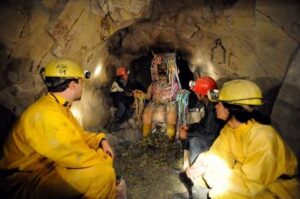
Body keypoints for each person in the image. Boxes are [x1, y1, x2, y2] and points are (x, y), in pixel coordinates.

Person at [0, 58, 125, 199]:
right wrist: (106, 158)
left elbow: (80, 135)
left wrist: (100, 140)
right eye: (81, 82)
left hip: (45, 167)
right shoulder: (47, 115)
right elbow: (78, 156)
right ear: (72, 85)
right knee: (103, 175)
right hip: (23, 179)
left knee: (102, 171)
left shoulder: (58, 106)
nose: (82, 86)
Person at [186, 79, 299, 199]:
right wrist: (203, 163)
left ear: (232, 108)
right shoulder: (230, 129)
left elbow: (251, 183)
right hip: (249, 179)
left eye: (220, 103)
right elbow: (218, 155)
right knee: (205, 174)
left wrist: (217, 189)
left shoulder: (263, 137)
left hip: (276, 190)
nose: (216, 106)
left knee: (220, 192)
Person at [179, 76, 225, 171]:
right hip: (213, 136)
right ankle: (187, 165)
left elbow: (208, 134)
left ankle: (194, 172)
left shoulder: (213, 109)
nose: (195, 94)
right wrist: (189, 127)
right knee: (188, 135)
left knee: (194, 141)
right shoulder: (210, 105)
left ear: (202, 95)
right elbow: (203, 125)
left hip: (217, 142)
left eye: (197, 93)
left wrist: (188, 133)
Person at [142, 68, 180, 140]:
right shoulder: (153, 85)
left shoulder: (173, 85)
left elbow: (177, 97)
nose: (162, 78)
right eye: (160, 77)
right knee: (146, 113)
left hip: (168, 105)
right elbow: (148, 96)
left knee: (171, 114)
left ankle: (170, 137)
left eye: (164, 77)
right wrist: (140, 95)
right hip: (155, 104)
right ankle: (145, 137)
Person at [110, 66, 143, 131]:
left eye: (126, 75)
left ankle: (122, 124)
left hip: (125, 101)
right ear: (121, 76)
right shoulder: (116, 84)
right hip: (118, 101)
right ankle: (114, 123)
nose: (127, 76)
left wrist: (133, 93)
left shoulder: (128, 83)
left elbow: (131, 91)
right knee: (122, 108)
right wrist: (125, 94)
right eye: (125, 75)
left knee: (131, 109)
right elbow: (114, 94)